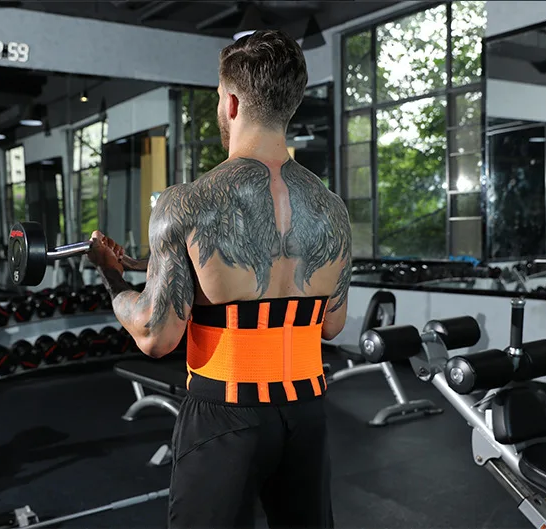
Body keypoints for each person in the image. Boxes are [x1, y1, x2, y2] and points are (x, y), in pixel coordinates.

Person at [87, 30, 351, 529]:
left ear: (230, 102)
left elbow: (155, 335)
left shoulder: (187, 202)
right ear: (290, 104)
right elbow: (331, 325)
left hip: (225, 412)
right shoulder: (332, 208)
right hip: (306, 412)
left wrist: (112, 275)